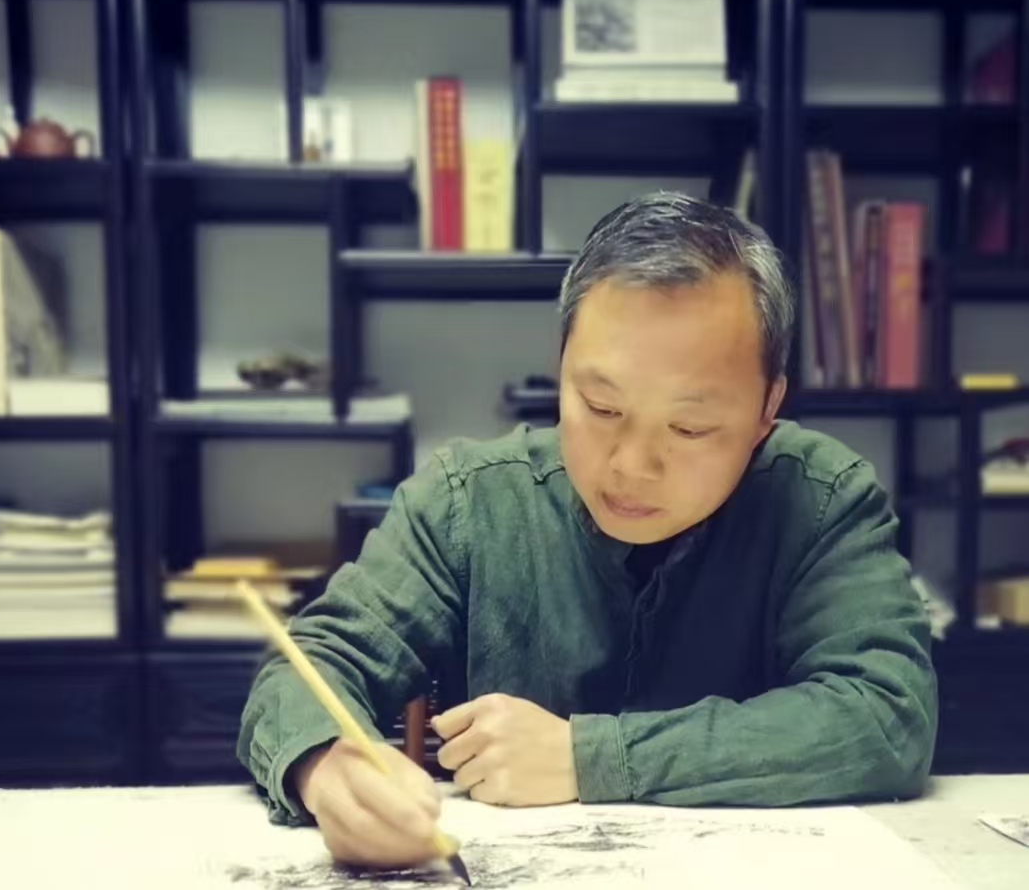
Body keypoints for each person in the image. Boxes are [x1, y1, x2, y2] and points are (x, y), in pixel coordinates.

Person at [236, 191, 937, 869]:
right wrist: (328, 768)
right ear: (561, 368)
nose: (631, 467)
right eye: (600, 407)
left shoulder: (821, 500)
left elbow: (885, 715)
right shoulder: (466, 504)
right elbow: (311, 665)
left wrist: (589, 757)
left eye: (690, 427)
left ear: (765, 410)